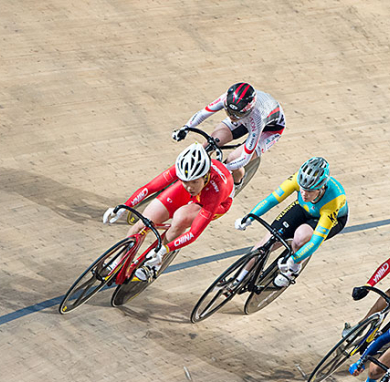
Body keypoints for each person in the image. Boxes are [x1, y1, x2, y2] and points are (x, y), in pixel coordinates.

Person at [102, 143, 233, 281]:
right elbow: (150, 187)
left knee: (180, 218)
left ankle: (154, 265)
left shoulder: (217, 189)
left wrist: (166, 249)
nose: (189, 187)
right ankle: (118, 263)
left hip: (215, 202)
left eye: (194, 182)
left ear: (205, 176)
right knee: (144, 222)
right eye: (185, 181)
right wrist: (124, 206)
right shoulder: (184, 169)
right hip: (198, 190)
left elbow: (194, 233)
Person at [234, 157, 347, 287]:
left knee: (300, 237)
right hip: (304, 208)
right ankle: (237, 279)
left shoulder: (333, 200)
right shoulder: (296, 179)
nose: (304, 194)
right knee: (267, 242)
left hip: (331, 219)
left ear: (321, 188)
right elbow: (272, 200)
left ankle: (293, 270)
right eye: (302, 188)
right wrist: (250, 217)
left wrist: (294, 259)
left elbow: (316, 240)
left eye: (309, 191)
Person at [172, 82, 285, 190]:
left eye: (236, 114)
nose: (231, 116)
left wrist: (224, 168)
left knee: (233, 160)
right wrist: (185, 128)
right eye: (228, 112)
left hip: (270, 129)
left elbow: (244, 158)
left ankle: (236, 185)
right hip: (244, 118)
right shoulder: (227, 100)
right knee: (209, 144)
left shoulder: (257, 118)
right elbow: (203, 113)